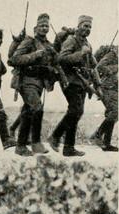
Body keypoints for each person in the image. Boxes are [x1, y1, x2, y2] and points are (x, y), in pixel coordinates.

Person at [9, 14, 64, 156]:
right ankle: (32, 143)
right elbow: (13, 59)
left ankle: (25, 145)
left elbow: (55, 63)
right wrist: (34, 55)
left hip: (40, 83)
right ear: (36, 28)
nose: (44, 28)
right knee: (37, 107)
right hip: (27, 80)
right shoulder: (29, 42)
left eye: (46, 26)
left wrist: (55, 64)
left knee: (29, 110)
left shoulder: (49, 45)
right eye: (41, 26)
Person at [48, 15, 95, 156]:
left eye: (90, 27)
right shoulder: (71, 40)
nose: (87, 29)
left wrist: (93, 81)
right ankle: (55, 136)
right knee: (75, 110)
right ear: (79, 26)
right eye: (85, 26)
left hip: (82, 82)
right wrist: (81, 53)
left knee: (76, 112)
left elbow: (91, 65)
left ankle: (68, 148)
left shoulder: (87, 43)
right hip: (69, 80)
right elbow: (61, 59)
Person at [89, 45, 118, 151]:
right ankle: (97, 135)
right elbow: (99, 67)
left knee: (113, 114)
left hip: (115, 88)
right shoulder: (113, 54)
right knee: (115, 112)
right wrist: (115, 69)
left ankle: (106, 143)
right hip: (107, 87)